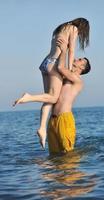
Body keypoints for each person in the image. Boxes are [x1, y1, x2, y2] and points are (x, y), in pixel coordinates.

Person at [13, 18, 90, 149]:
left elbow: (62, 49)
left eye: (80, 60)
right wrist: (68, 66)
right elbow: (71, 50)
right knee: (53, 97)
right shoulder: (74, 29)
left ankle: (42, 129)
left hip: (45, 62)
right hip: (54, 64)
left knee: (48, 97)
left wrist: (67, 65)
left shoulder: (61, 29)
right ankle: (28, 97)